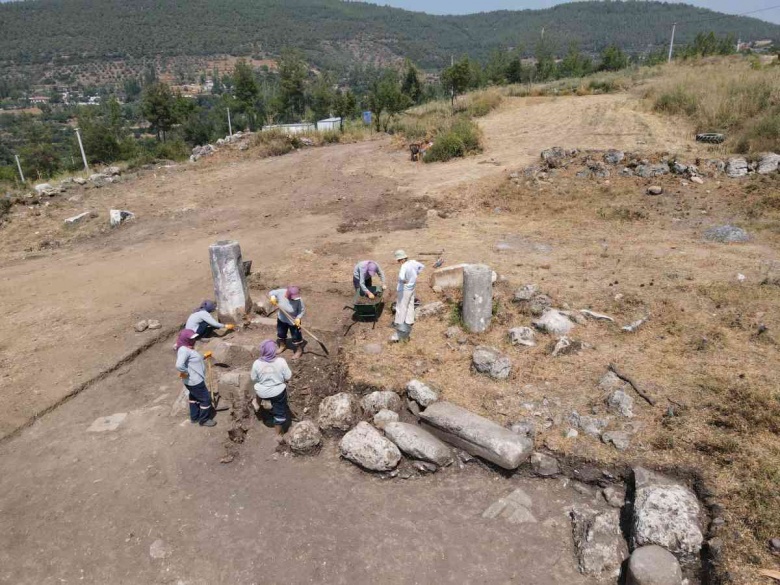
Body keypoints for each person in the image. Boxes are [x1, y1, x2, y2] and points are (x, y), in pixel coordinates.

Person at [250, 339, 293, 439]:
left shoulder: (256, 363)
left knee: (258, 386)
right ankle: (278, 435)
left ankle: (257, 403)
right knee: (279, 411)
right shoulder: (281, 361)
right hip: (277, 392)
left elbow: (253, 378)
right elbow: (288, 377)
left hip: (262, 393)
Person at [174, 329, 216, 427]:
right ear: (185, 339)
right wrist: (186, 372)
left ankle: (194, 417)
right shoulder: (184, 350)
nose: (194, 340)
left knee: (193, 397)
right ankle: (204, 420)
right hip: (195, 381)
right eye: (191, 339)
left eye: (194, 338)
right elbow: (179, 365)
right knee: (206, 399)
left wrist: (204, 356)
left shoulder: (185, 348)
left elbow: (192, 360)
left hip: (191, 381)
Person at [392, 250, 425, 342]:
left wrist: (404, 281)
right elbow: (422, 267)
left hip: (404, 289)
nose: (398, 262)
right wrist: (415, 275)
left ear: (402, 259)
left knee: (401, 306)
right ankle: (410, 321)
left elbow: (401, 277)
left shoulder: (404, 266)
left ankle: (399, 323)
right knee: (410, 304)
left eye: (398, 260)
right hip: (412, 286)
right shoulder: (413, 262)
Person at [268, 286, 306, 360]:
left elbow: (302, 310)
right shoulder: (281, 292)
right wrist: (272, 297)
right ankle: (283, 346)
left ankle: (299, 351)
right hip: (282, 319)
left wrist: (298, 318)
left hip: (294, 321)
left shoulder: (298, 300)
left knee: (296, 337)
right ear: (287, 294)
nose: (293, 299)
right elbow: (271, 292)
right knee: (281, 334)